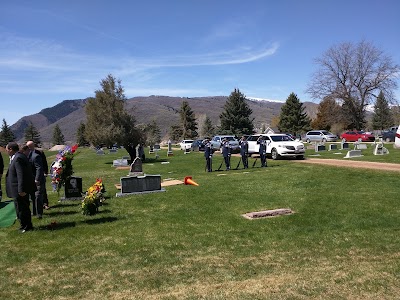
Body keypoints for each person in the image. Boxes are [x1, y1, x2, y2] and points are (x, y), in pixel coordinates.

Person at [5, 142, 34, 232]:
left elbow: (20, 174)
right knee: (19, 207)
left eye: (7, 150)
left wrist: (21, 189)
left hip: (19, 189)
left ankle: (26, 226)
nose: (6, 152)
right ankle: (23, 225)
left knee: (22, 208)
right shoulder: (16, 157)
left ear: (10, 149)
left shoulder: (18, 158)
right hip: (16, 189)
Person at [23, 142, 45, 219]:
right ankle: (34, 212)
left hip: (38, 180)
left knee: (38, 196)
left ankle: (39, 214)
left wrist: (37, 179)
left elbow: (39, 168)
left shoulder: (36, 156)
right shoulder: (27, 157)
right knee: (32, 197)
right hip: (31, 180)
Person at [27, 141, 50, 210]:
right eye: (28, 146)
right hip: (31, 174)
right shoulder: (26, 153)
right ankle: (36, 206)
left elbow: (44, 162)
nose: (30, 148)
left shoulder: (39, 152)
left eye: (31, 146)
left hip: (39, 174)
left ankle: (45, 204)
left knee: (42, 190)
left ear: (33, 145)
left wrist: (45, 171)